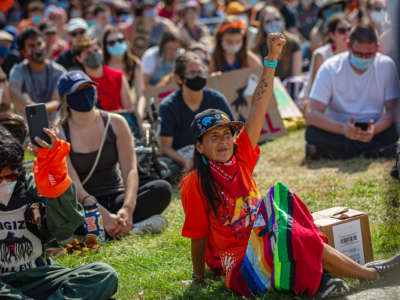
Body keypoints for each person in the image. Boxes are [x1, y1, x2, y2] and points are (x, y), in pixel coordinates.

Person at [180, 32, 400, 299]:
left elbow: (259, 103)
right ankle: (368, 275)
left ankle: (332, 282)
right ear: (200, 147)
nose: (224, 141)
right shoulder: (194, 183)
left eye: (227, 134)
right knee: (280, 218)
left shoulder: (241, 157)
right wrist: (197, 277)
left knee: (284, 212)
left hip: (266, 239)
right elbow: (198, 235)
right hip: (241, 266)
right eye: (214, 137)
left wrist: (271, 60)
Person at [0, 116, 118, 299]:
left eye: (11, 177)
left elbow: (65, 231)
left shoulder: (32, 187)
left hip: (38, 275)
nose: (5, 184)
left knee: (104, 274)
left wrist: (56, 177)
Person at [57, 71, 172, 238]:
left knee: (162, 189)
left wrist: (128, 208)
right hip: (85, 203)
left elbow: (130, 170)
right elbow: (74, 184)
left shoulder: (116, 122)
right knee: (60, 214)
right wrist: (102, 215)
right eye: (78, 91)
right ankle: (131, 228)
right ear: (65, 98)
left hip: (117, 196)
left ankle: (114, 227)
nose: (85, 94)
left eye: (88, 88)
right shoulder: (60, 133)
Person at [305, 23, 400, 159]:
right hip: (338, 128)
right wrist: (343, 129)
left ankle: (340, 151)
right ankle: (372, 150)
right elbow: (312, 113)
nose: (363, 59)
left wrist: (375, 130)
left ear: (377, 49)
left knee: (395, 128)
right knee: (312, 132)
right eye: (358, 54)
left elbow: (393, 110)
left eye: (368, 55)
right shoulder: (330, 67)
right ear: (348, 46)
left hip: (375, 127)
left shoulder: (386, 65)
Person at [158, 51, 235, 175]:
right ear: (178, 78)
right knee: (164, 167)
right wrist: (185, 162)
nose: (198, 76)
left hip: (214, 150)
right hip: (183, 155)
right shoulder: (168, 106)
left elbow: (233, 134)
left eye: (200, 72)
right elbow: (165, 147)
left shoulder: (216, 99)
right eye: (192, 73)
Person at [9, 27, 66, 121]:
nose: (37, 49)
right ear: (24, 52)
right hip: (27, 126)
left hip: (54, 124)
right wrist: (36, 109)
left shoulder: (59, 71)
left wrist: (32, 108)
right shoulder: (18, 70)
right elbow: (15, 94)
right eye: (31, 46)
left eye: (39, 44)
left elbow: (57, 102)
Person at [299, 14, 351, 107]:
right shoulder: (321, 55)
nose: (347, 34)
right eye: (342, 31)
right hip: (316, 102)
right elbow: (316, 89)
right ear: (331, 35)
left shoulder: (354, 53)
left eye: (349, 29)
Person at [73, 35, 134, 112]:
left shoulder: (118, 76)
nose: (93, 55)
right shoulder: (77, 83)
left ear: (101, 51)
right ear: (79, 58)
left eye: (96, 50)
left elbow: (128, 109)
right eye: (88, 53)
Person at [103, 26, 146, 120]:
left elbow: (141, 94)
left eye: (120, 40)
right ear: (105, 46)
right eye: (111, 42)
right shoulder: (101, 66)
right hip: (108, 114)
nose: (117, 44)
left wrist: (139, 113)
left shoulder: (135, 64)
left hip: (129, 112)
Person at [253, 5, 301, 81]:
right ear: (262, 25)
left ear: (283, 20)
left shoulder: (293, 42)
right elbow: (261, 77)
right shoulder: (258, 47)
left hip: (288, 88)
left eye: (277, 19)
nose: (274, 23)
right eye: (268, 21)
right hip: (268, 87)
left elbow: (296, 77)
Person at [0, 30, 13, 112]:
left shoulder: (11, 60)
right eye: (1, 44)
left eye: (7, 45)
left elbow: (6, 104)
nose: (4, 47)